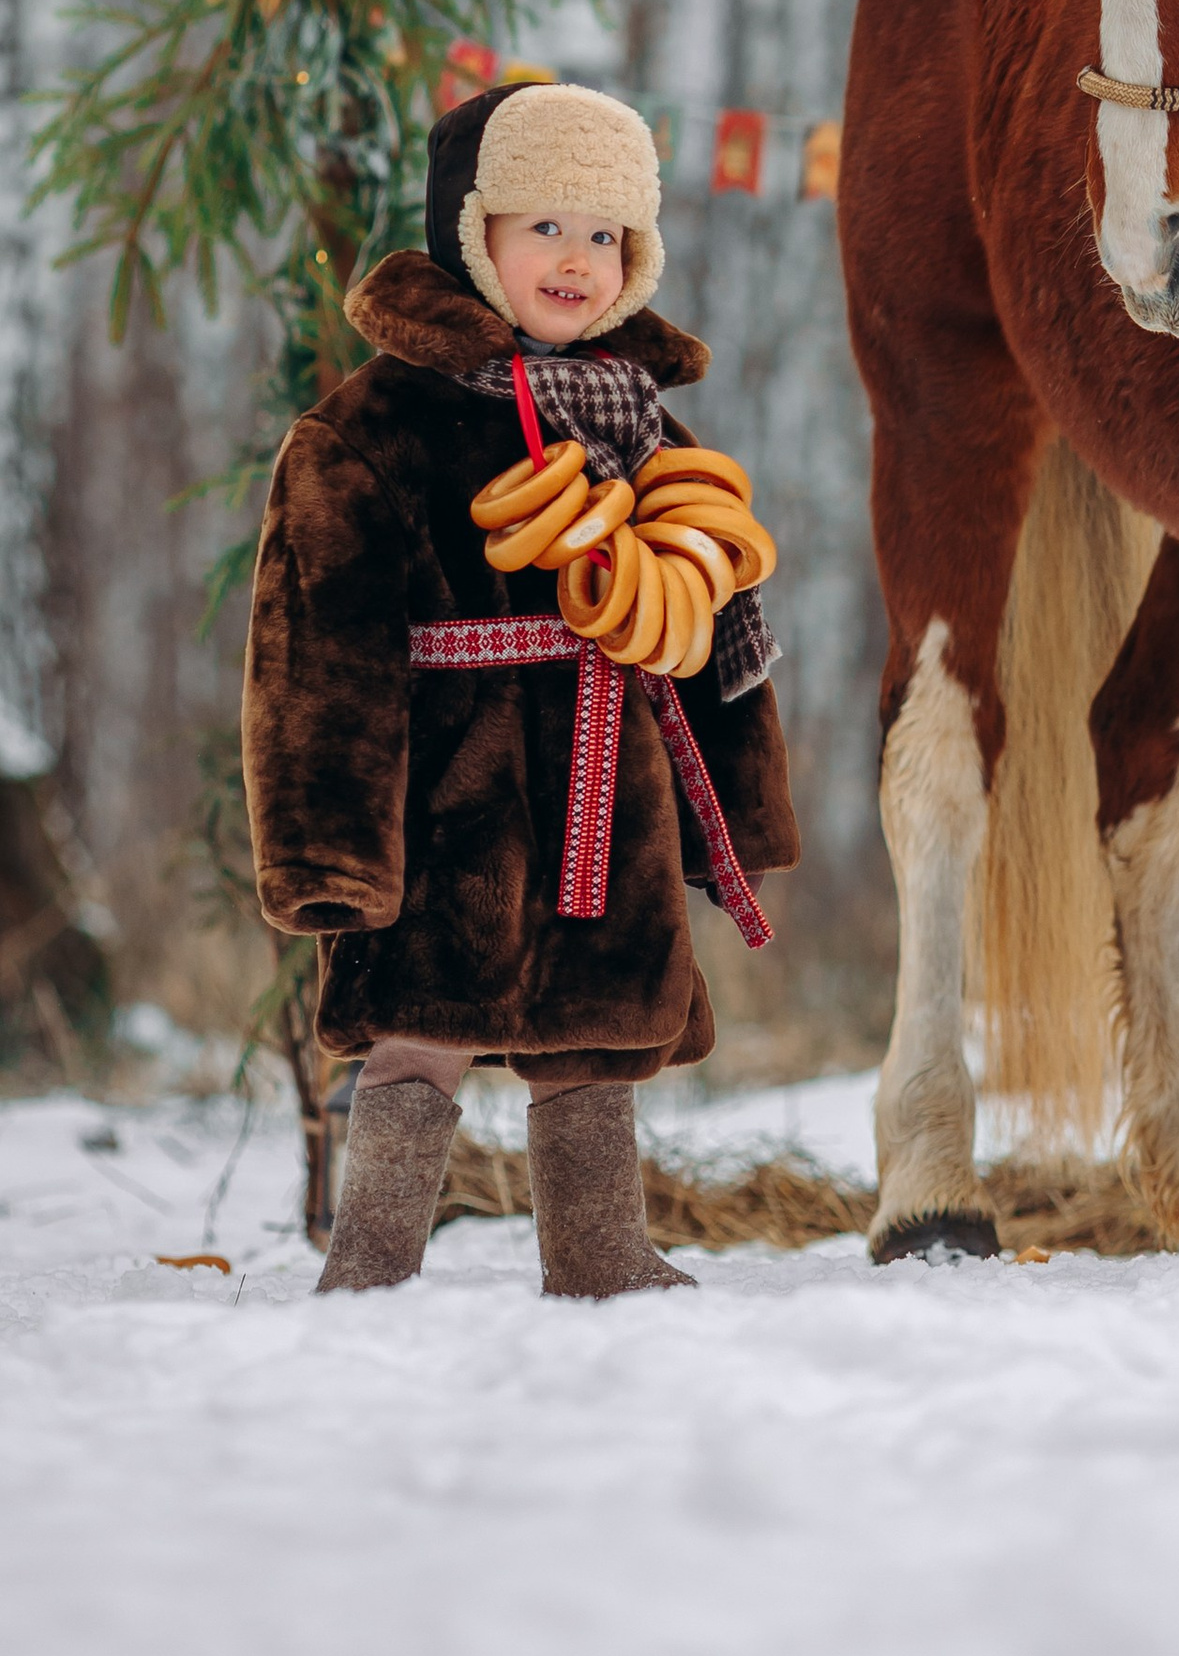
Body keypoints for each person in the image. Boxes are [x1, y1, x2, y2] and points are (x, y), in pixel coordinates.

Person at [244, 80, 797, 1296]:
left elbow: (708, 632)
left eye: (606, 235)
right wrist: (328, 848)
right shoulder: (373, 425)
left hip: (621, 762)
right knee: (423, 1018)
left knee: (597, 1029)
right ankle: (373, 1252)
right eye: (545, 225)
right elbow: (314, 656)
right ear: (470, 231)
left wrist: (740, 821)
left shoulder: (653, 438)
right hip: (456, 775)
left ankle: (599, 1250)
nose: (577, 259)